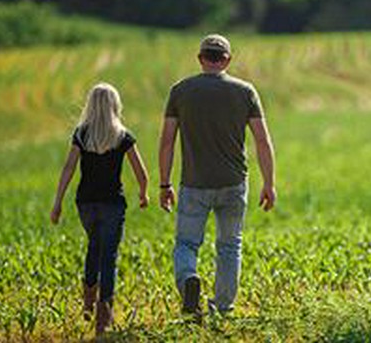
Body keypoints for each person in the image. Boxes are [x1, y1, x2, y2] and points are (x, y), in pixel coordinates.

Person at [158, 34, 276, 317]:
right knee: (229, 246)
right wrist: (269, 183)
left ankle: (188, 280)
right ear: (227, 60)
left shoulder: (180, 91)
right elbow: (262, 141)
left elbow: (166, 141)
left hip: (194, 183)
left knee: (186, 243)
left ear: (200, 58)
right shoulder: (245, 91)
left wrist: (164, 183)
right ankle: (223, 308)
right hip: (234, 183)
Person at [50, 83, 149, 335]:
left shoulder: (82, 134)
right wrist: (143, 192)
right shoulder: (122, 136)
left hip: (85, 203)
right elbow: (141, 171)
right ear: (115, 105)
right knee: (109, 257)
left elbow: (69, 168)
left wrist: (58, 201)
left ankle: (87, 302)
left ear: (90, 106)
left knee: (94, 246)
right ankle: (103, 320)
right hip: (113, 204)